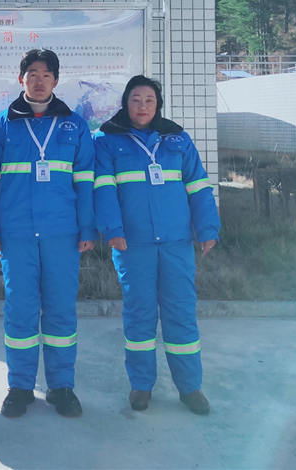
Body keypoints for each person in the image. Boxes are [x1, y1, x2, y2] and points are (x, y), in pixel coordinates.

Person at [0, 49, 96, 418]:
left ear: (56, 80)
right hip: (16, 234)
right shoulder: (2, 125)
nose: (39, 80)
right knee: (20, 311)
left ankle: (62, 387)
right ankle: (20, 387)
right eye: (32, 73)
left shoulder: (73, 126)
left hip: (63, 233)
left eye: (46, 74)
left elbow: (86, 182)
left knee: (61, 310)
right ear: (21, 79)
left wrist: (87, 226)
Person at [93, 74, 219, 415]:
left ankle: (190, 387)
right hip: (133, 245)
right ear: (125, 103)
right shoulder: (107, 141)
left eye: (149, 100)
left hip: (176, 243)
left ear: (158, 104)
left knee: (181, 313)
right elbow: (103, 189)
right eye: (136, 99)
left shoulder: (177, 139)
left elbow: (198, 186)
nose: (142, 106)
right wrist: (112, 229)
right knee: (140, 315)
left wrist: (207, 228)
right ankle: (141, 385)